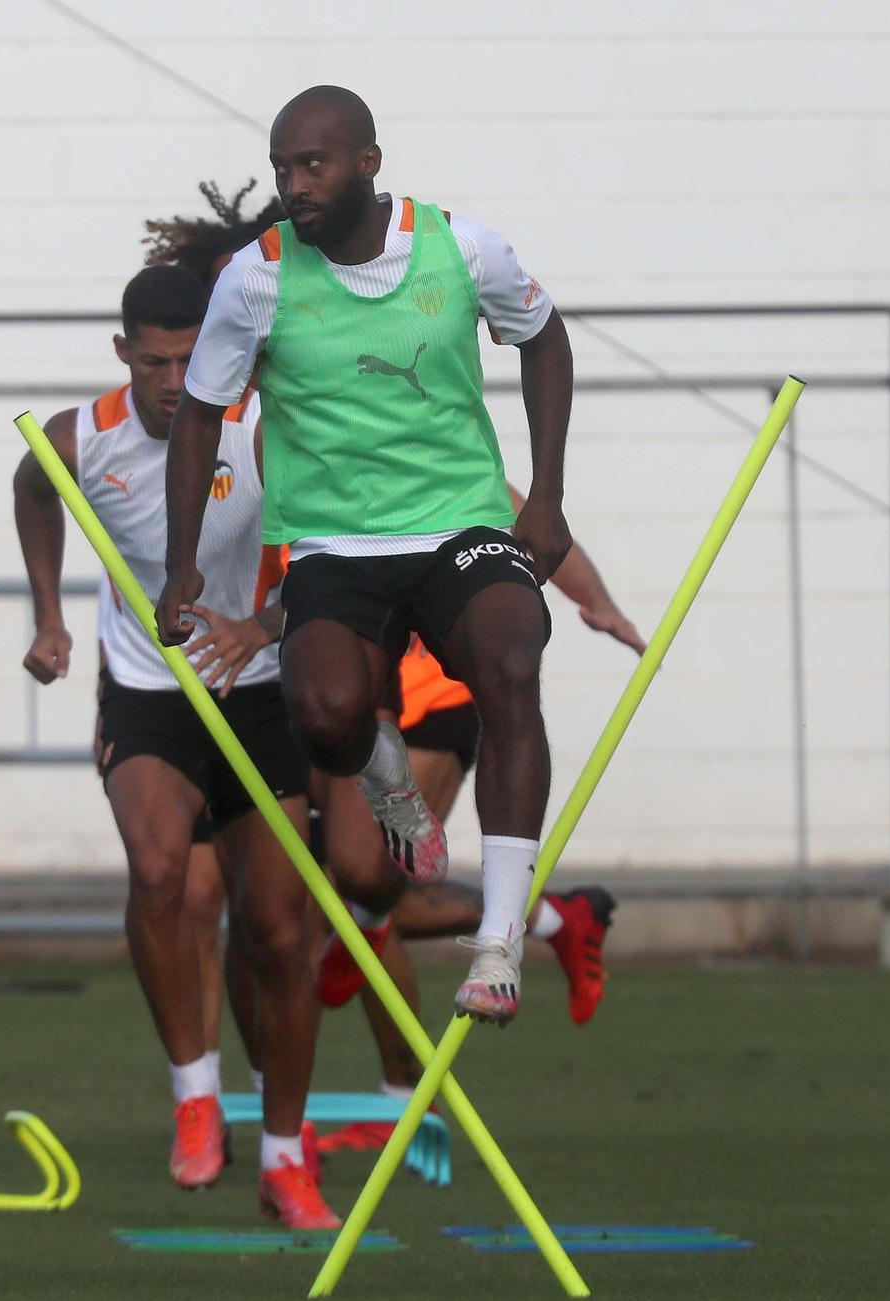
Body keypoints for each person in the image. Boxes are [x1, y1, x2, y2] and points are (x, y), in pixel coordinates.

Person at [160, 85, 578, 1026]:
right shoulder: (255, 277)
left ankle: (501, 941)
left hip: (460, 524)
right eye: (281, 169)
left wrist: (544, 494)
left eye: (313, 165)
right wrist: (181, 561)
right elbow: (198, 413)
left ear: (368, 163)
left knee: (512, 656)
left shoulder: (464, 249)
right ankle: (383, 769)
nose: (295, 185)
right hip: (336, 543)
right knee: (328, 717)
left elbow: (544, 338)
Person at [13, 263, 338, 1228]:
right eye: (153, 361)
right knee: (160, 870)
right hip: (149, 691)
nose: (170, 381)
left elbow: (334, 563)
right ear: (125, 353)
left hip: (259, 692)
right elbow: (34, 490)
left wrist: (263, 626)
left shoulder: (264, 429)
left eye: (190, 361)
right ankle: (195, 1095)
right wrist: (49, 618)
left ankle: (285, 1153)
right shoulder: (83, 435)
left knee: (279, 932)